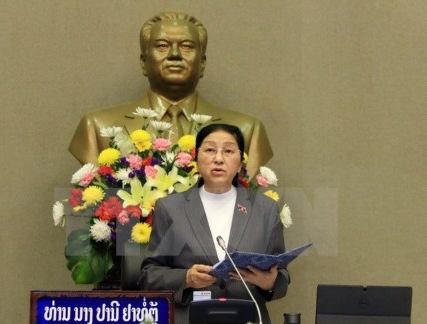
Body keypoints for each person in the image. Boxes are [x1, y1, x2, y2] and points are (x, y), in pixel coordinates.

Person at [68, 12, 272, 178]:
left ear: (202, 63)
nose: (175, 54)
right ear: (143, 62)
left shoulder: (247, 130)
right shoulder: (97, 127)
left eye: (187, 46)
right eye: (162, 46)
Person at [139, 124, 290, 324]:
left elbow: (282, 274)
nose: (218, 158)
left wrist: (270, 283)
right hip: (191, 318)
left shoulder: (263, 209)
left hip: (248, 318)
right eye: (210, 150)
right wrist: (186, 278)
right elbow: (151, 275)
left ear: (240, 162)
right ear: (197, 159)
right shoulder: (173, 209)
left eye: (228, 151)